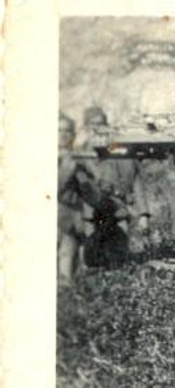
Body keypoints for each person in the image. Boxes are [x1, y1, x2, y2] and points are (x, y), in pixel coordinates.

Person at [76, 105, 151, 268]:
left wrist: (143, 214)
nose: (98, 128)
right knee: (92, 261)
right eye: (93, 124)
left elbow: (136, 182)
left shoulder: (121, 149)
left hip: (118, 212)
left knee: (119, 259)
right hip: (92, 215)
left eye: (101, 123)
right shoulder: (80, 154)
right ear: (86, 127)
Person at [57, 113, 100, 283]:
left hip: (71, 226)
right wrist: (67, 170)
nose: (63, 135)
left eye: (67, 131)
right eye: (59, 130)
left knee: (68, 277)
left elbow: (95, 199)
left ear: (73, 135)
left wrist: (84, 178)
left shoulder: (79, 159)